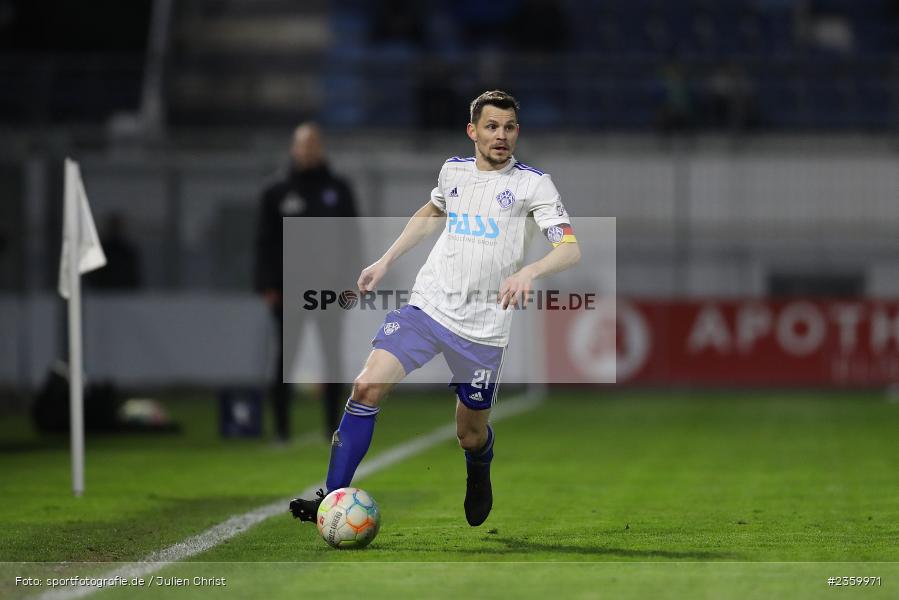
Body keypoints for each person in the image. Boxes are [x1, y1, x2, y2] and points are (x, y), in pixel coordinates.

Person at [289, 90, 581, 526]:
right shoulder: (453, 172)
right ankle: (331, 497)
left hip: (483, 329)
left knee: (469, 433)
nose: (501, 135)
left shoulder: (533, 184)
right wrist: (385, 260)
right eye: (492, 126)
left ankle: (479, 467)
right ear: (473, 131)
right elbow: (430, 214)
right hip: (427, 308)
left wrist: (530, 271)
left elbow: (569, 250)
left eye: (509, 127)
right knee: (366, 387)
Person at [254, 122, 359, 442]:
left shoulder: (339, 189)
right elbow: (265, 242)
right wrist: (268, 285)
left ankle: (333, 427)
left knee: (332, 360)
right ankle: (282, 429)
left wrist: (351, 282)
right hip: (288, 290)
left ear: (321, 149)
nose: (309, 150)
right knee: (285, 360)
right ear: (294, 148)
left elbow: (351, 239)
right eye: (303, 144)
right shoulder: (276, 191)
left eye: (314, 144)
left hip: (329, 290)